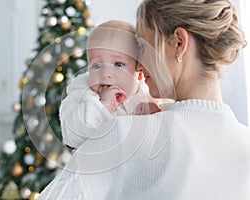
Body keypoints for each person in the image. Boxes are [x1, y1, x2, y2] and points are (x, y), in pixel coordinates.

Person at [38, 0, 250, 199]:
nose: (138, 63)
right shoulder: (244, 145)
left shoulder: (122, 135)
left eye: (142, 46)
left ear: (178, 43)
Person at [60, 20, 170, 150]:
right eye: (97, 65)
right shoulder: (81, 94)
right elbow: (72, 135)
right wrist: (104, 106)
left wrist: (154, 115)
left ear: (139, 72)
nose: (106, 73)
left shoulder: (149, 95)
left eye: (118, 64)